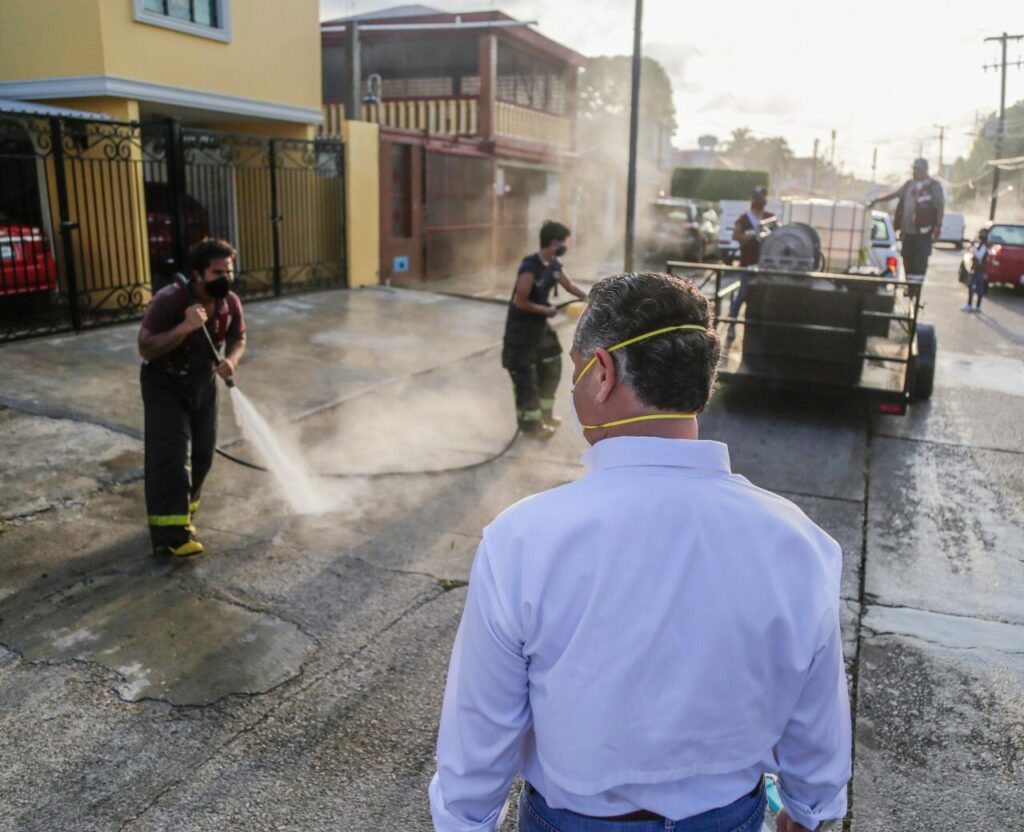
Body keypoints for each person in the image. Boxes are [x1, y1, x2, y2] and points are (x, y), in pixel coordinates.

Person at [430, 272, 852, 832]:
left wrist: (465, 820)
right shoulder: (796, 541)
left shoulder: (524, 539)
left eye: (575, 367)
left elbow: (478, 738)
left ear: (601, 374)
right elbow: (816, 730)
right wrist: (804, 814)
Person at [137, 238, 246, 557]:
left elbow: (239, 336)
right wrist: (185, 326)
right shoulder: (168, 300)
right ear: (197, 274)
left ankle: (185, 512)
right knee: (170, 456)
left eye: (229, 270)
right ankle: (170, 535)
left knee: (203, 453)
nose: (226, 277)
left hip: (202, 382)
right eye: (217, 271)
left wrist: (232, 360)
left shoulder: (230, 302)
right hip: (165, 384)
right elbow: (146, 347)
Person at [501, 220, 587, 440]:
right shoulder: (530, 268)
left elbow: (569, 285)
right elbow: (520, 301)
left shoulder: (554, 265)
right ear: (553, 242)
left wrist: (589, 297)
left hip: (540, 327)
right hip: (521, 330)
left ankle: (544, 415)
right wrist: (543, 309)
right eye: (563, 242)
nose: (565, 246)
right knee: (526, 377)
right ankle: (531, 426)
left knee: (551, 365)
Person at [869, 158, 944, 282]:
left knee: (919, 261)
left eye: (918, 169)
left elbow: (939, 207)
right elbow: (895, 195)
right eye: (914, 169)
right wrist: (878, 200)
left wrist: (938, 226)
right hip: (907, 232)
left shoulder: (933, 186)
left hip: (923, 233)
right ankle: (910, 287)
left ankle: (916, 289)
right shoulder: (909, 185)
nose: (915, 171)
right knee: (907, 257)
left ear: (925, 170)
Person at [728, 186, 775, 339]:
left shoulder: (770, 217)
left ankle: (759, 332)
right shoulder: (745, 218)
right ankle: (731, 325)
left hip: (766, 266)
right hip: (748, 264)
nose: (760, 200)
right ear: (753, 199)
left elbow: (776, 237)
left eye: (763, 197)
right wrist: (751, 235)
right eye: (758, 197)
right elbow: (735, 236)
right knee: (742, 295)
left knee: (764, 297)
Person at [963, 228, 989, 313]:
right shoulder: (982, 244)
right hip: (976, 270)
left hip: (979, 270)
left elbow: (979, 256)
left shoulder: (984, 245)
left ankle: (974, 306)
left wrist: (973, 246)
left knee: (975, 288)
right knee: (974, 287)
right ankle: (972, 305)